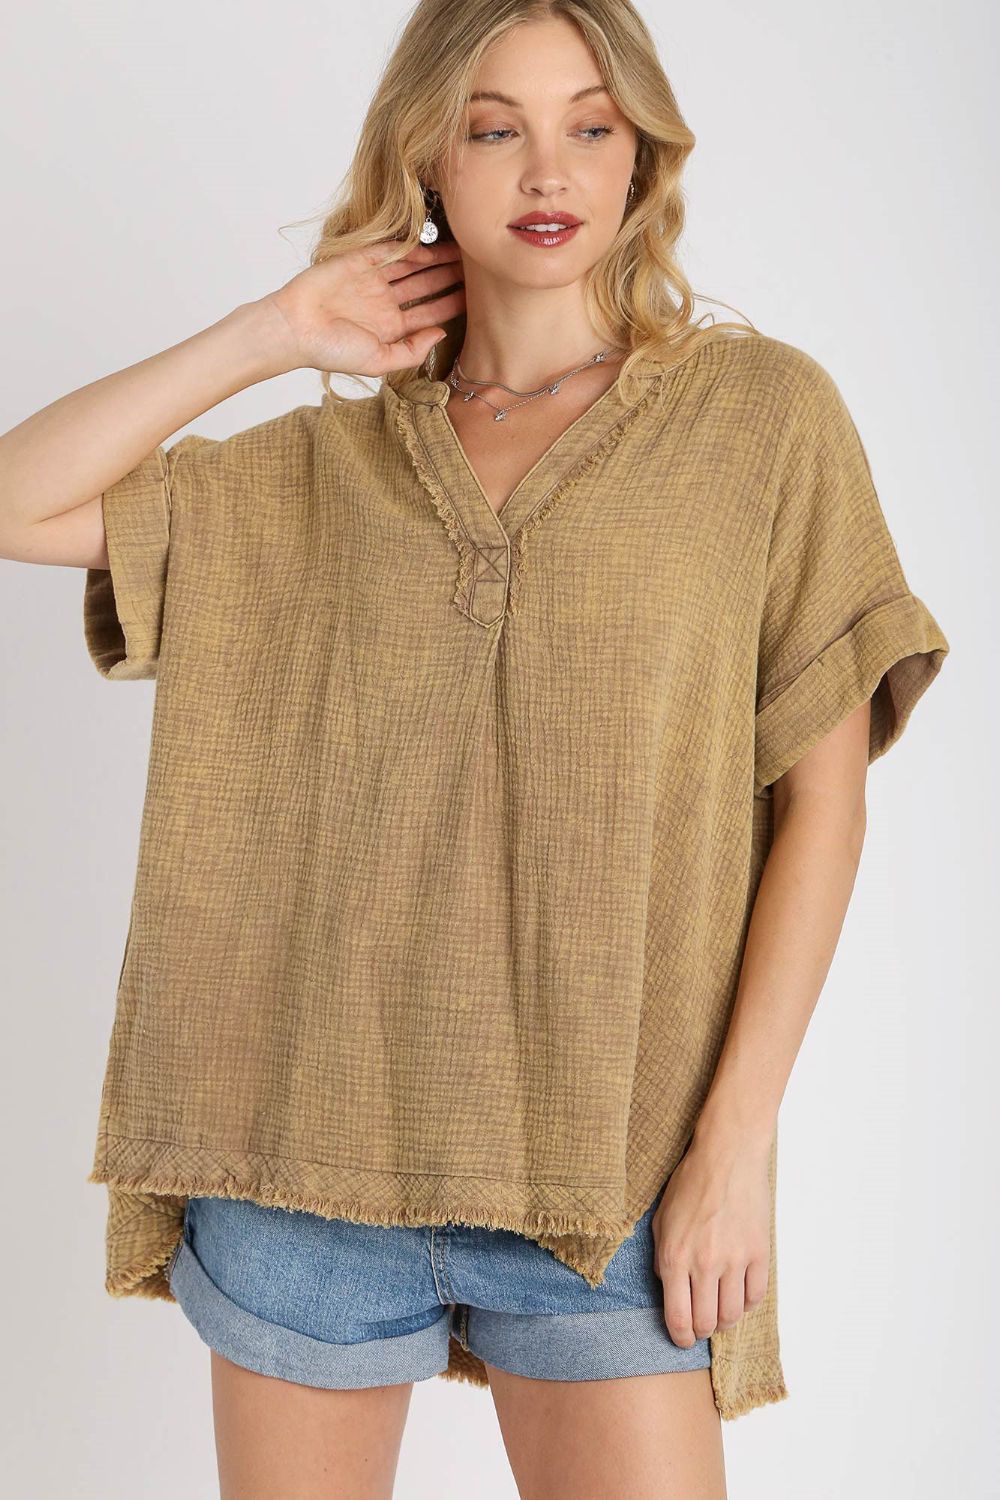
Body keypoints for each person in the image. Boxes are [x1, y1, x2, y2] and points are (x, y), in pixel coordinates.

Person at [0, 2, 949, 1497]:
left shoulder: (760, 421)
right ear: (429, 157)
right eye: (495, 127)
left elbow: (824, 805)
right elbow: (14, 499)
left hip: (614, 1172)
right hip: (304, 1162)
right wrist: (272, 333)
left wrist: (735, 1145)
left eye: (590, 124)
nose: (547, 167)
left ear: (641, 156)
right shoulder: (316, 471)